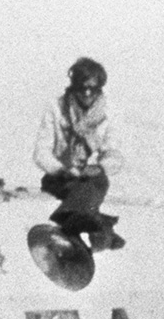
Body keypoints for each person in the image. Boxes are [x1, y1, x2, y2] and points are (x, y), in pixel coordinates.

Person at [33, 56, 124, 251]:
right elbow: (41, 152)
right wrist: (62, 170)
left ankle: (72, 229)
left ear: (100, 88)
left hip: (91, 177)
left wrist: (99, 166)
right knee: (84, 190)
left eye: (93, 88)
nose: (87, 92)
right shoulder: (57, 108)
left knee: (96, 182)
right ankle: (99, 230)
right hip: (60, 177)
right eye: (82, 87)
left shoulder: (107, 114)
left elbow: (114, 153)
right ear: (74, 87)